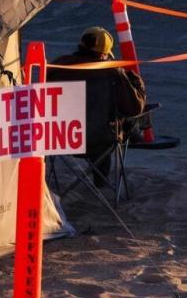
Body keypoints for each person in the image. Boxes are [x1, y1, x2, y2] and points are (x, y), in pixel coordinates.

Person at [46, 27, 147, 187]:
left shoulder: (56, 67)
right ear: (103, 54)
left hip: (61, 138)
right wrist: (137, 83)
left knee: (96, 116)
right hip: (100, 140)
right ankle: (102, 179)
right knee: (127, 115)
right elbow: (134, 108)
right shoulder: (112, 71)